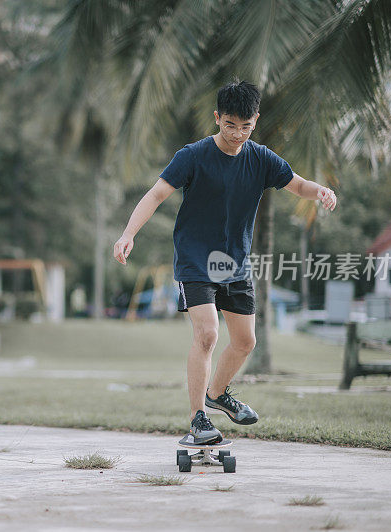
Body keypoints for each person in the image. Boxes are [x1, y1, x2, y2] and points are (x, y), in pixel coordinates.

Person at [113, 80, 337, 444]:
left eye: (246, 127)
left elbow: (297, 184)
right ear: (217, 118)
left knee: (245, 342)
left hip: (234, 263)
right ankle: (197, 418)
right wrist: (128, 234)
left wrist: (321, 191)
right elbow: (156, 194)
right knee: (207, 334)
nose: (237, 134)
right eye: (230, 125)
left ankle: (217, 394)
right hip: (194, 260)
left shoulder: (261, 158)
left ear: (255, 121)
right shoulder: (193, 155)